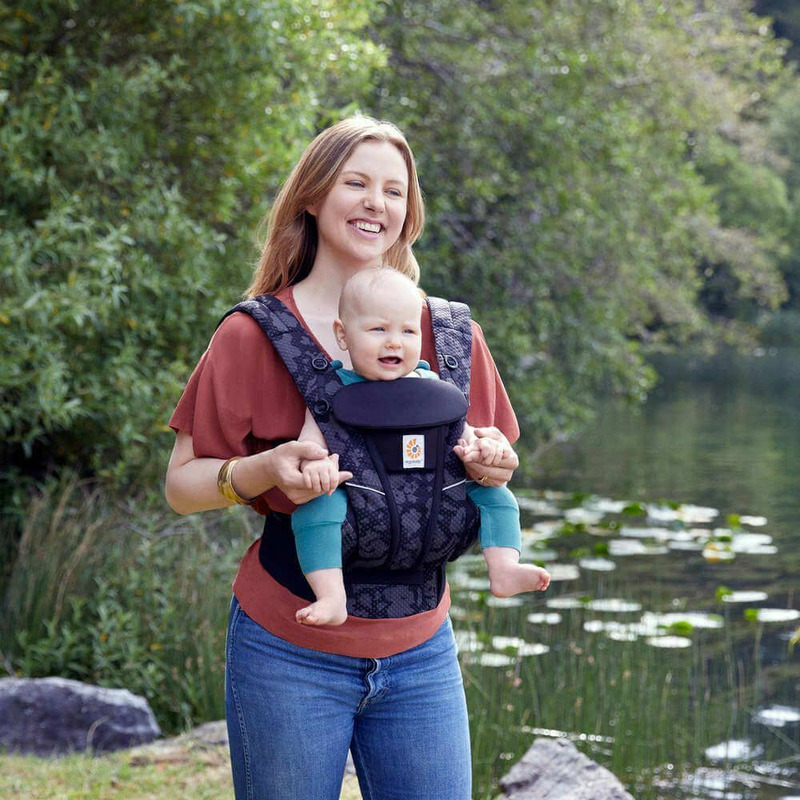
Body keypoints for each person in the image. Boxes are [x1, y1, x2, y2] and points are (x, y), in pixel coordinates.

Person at [165, 115, 522, 800]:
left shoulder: (451, 336)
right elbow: (182, 486)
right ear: (313, 196)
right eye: (355, 183)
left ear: (408, 212)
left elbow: (491, 461)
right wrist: (262, 471)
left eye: (393, 190)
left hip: (421, 653)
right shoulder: (252, 335)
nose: (375, 203)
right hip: (288, 650)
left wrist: (494, 465)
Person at [291, 266, 550, 627]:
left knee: (498, 497)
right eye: (378, 329)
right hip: (357, 496)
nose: (394, 341)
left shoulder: (434, 387)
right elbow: (309, 445)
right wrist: (316, 467)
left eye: (408, 331)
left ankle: (504, 568)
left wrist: (485, 450)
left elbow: (465, 435)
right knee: (316, 510)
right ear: (343, 334)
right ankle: (331, 595)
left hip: (433, 492)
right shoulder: (332, 392)